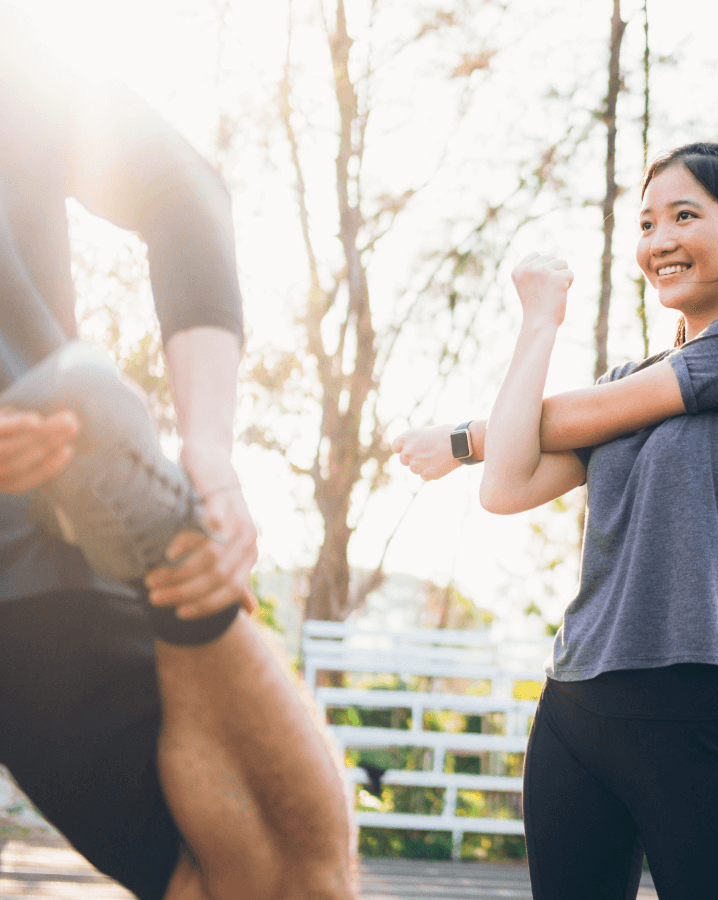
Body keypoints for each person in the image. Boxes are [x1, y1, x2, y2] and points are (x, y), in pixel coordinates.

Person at [393, 142, 718, 900]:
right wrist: (540, 324)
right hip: (575, 705)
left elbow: (566, 419)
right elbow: (509, 483)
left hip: (691, 694)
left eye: (685, 216)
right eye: (647, 224)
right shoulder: (626, 382)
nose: (659, 242)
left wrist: (461, 439)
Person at [0, 9, 355, 900]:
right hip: (42, 498)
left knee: (280, 883)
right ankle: (165, 546)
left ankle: (165, 550)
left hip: (40, 496)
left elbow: (178, 184)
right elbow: (182, 182)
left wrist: (207, 450)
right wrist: (206, 448)